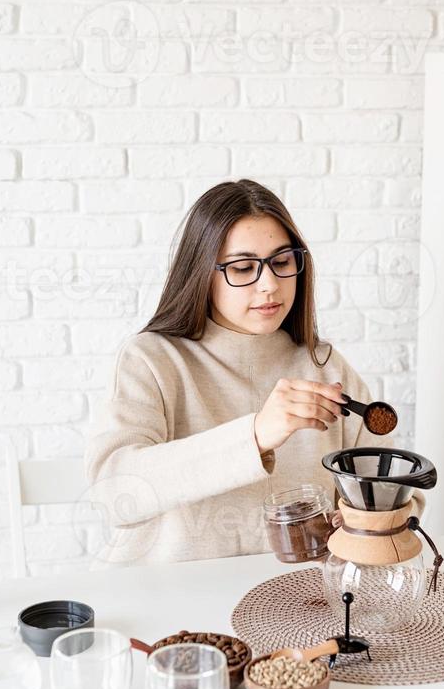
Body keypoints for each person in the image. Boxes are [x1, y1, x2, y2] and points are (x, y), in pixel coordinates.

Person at [85, 179, 425, 568]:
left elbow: (396, 496)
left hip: (294, 605)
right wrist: (257, 435)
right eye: (244, 267)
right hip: (171, 601)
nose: (270, 285)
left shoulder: (324, 365)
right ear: (201, 273)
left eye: (282, 262)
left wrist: (360, 523)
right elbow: (114, 493)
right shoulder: (153, 358)